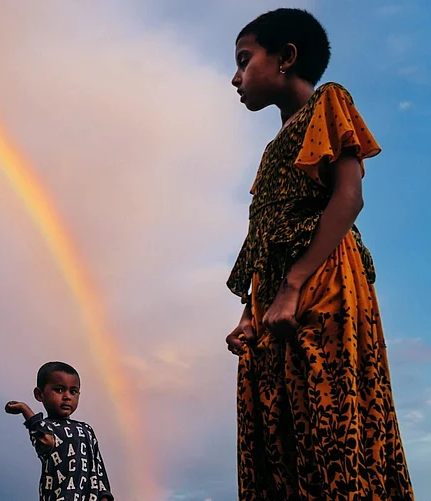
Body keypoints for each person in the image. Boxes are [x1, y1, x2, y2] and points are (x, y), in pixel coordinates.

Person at [225, 8, 414, 500]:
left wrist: (292, 287)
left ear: (286, 58)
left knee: (330, 423)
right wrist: (250, 312)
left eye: (245, 60)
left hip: (321, 281)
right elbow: (266, 233)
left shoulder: (330, 101)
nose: (236, 77)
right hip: (275, 296)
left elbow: (348, 198)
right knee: (277, 432)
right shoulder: (272, 150)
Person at [5, 361, 114, 501]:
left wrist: (104, 496)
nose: (67, 396)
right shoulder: (44, 427)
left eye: (73, 391)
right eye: (59, 390)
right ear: (39, 394)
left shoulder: (86, 430)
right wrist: (25, 410)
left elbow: (98, 468)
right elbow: (45, 441)